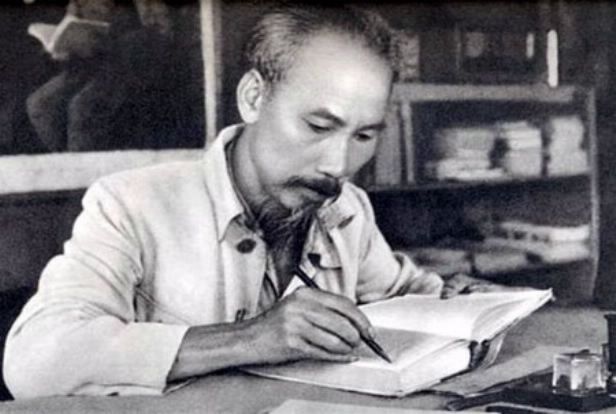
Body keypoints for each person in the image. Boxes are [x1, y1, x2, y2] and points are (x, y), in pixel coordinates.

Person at [3, 5, 497, 398]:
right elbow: (34, 362)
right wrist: (250, 339)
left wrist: (467, 303)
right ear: (254, 97)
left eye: (364, 135)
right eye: (318, 126)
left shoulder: (346, 209)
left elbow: (403, 294)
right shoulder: (132, 203)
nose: (338, 164)